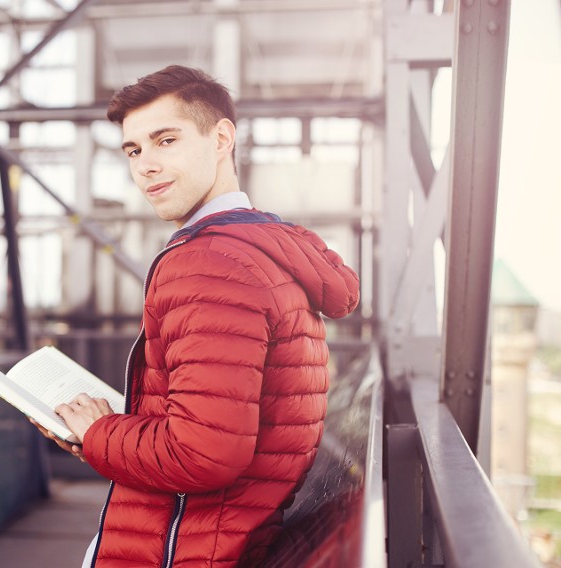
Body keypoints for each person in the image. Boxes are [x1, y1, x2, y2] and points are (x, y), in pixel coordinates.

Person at [32, 64, 360, 567]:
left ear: (221, 138)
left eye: (166, 141)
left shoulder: (208, 262)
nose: (145, 166)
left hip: (186, 550)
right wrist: (104, 435)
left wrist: (101, 434)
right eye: (134, 150)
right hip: (229, 540)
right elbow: (214, 426)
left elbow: (203, 453)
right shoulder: (267, 250)